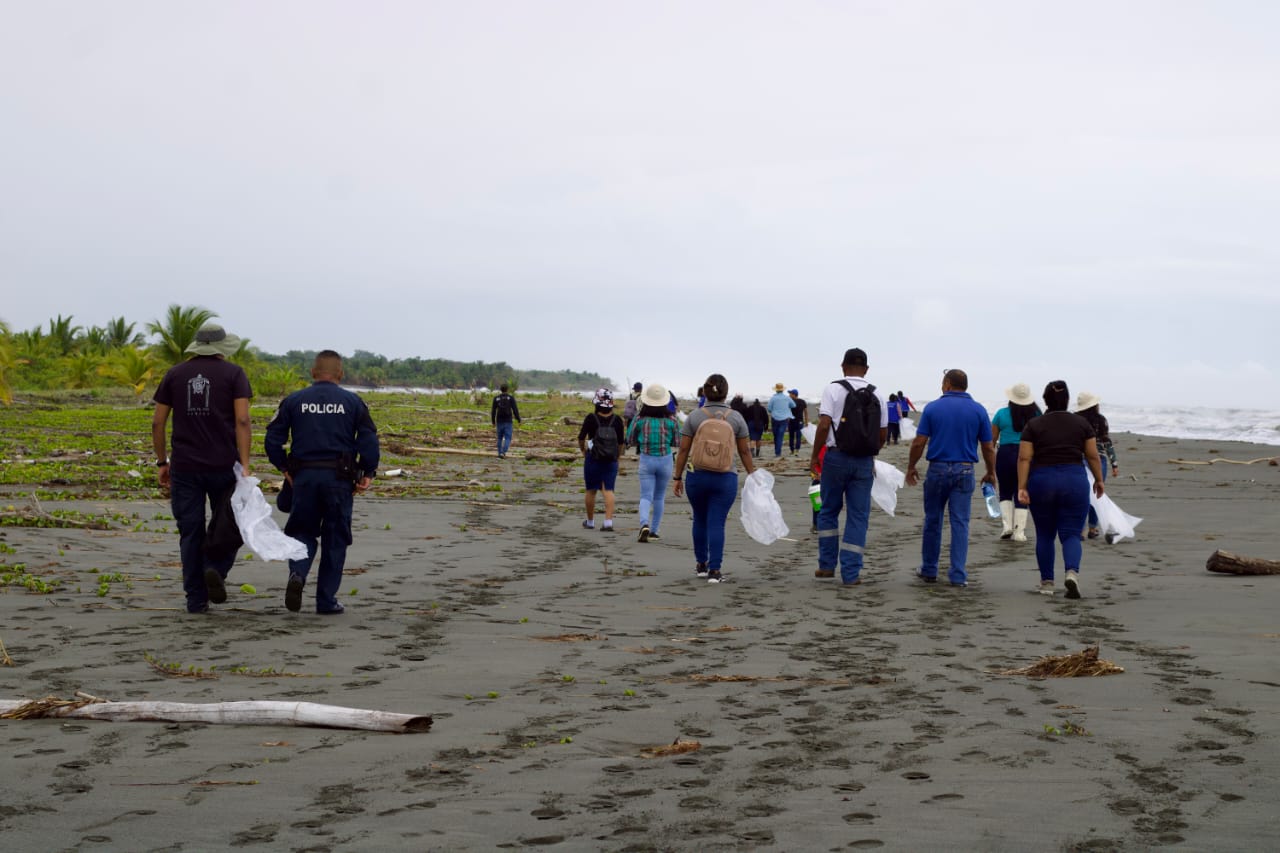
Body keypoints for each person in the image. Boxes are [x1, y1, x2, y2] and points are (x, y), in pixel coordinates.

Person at [265, 351, 380, 615]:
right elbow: (369, 442)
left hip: (303, 479)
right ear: (340, 374)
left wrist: (284, 467)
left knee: (301, 532)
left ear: (313, 373)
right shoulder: (353, 402)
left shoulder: (293, 401)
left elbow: (272, 440)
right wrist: (368, 472)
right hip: (339, 480)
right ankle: (326, 601)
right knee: (335, 539)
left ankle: (298, 573)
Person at [151, 322, 253, 614]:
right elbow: (243, 421)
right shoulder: (234, 374)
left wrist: (162, 461)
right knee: (230, 526)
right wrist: (244, 465)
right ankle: (216, 570)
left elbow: (158, 422)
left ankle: (195, 598)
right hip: (224, 465)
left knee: (191, 531)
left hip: (184, 466)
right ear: (222, 348)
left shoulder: (175, 373)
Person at [906, 369, 997, 587]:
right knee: (960, 523)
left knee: (933, 520)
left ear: (947, 384)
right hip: (965, 469)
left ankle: (929, 569)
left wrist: (911, 466)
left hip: (937, 468)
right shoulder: (978, 410)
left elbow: (919, 442)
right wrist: (991, 471)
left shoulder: (933, 407)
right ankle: (957, 574)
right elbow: (988, 446)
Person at [1017, 380, 1106, 598]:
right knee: (1071, 534)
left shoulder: (1034, 425)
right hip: (1073, 479)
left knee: (1045, 534)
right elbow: (1093, 455)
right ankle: (1072, 572)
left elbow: (1024, 457)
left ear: (1045, 400)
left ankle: (1047, 583)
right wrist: (1099, 479)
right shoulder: (1082, 424)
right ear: (1067, 400)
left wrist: (1022, 486)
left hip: (1042, 480)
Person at [809, 348, 888, 585]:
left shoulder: (833, 389)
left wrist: (815, 456)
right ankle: (851, 573)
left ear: (843, 366)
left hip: (835, 457)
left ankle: (826, 565)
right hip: (864, 462)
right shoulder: (878, 394)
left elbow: (824, 425)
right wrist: (872, 453)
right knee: (858, 516)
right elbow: (882, 432)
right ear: (866, 369)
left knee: (828, 511)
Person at [672, 373, 757, 583]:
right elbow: (745, 452)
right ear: (726, 392)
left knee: (699, 519)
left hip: (696, 476)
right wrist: (752, 475)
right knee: (717, 523)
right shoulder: (736, 417)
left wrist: (677, 477)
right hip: (725, 477)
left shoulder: (694, 416)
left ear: (705, 391)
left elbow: (683, 450)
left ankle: (701, 565)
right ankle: (715, 571)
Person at [627, 383, 679, 542]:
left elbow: (630, 439)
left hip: (646, 459)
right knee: (659, 497)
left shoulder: (639, 419)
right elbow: (677, 441)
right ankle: (654, 531)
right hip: (665, 460)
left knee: (645, 496)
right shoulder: (672, 420)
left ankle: (644, 524)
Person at [990, 383, 1041, 542]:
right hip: (1027, 454)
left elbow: (991, 440)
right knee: (1023, 490)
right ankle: (1019, 532)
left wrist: (990, 461)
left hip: (1005, 453)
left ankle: (1007, 526)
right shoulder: (1036, 414)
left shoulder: (1001, 414)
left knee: (1005, 490)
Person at [577, 388, 625, 532]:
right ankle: (608, 522)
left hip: (593, 458)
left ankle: (591, 521)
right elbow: (621, 442)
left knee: (591, 490)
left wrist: (584, 451)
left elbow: (581, 438)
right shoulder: (617, 420)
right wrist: (617, 456)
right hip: (611, 459)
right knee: (608, 490)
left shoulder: (591, 418)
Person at [1074, 391, 1119, 541]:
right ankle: (1093, 528)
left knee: (1082, 495)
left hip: (1079, 459)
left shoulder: (1075, 420)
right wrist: (1114, 463)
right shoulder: (1101, 420)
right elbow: (1107, 442)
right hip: (1099, 459)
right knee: (1096, 493)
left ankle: (1080, 530)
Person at [491, 383, 521, 459]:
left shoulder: (496, 398)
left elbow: (493, 411)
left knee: (499, 438)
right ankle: (503, 452)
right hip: (508, 421)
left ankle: (499, 453)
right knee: (508, 438)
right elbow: (515, 410)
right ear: (507, 389)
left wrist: (493, 421)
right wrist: (518, 419)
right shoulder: (510, 398)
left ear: (500, 390)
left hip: (499, 421)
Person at [767, 382, 796, 457]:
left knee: (776, 435)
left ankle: (777, 452)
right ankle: (777, 452)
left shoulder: (773, 398)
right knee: (780, 435)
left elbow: (769, 409)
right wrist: (786, 406)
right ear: (782, 390)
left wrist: (774, 410)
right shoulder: (787, 398)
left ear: (776, 390)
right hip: (784, 419)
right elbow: (793, 405)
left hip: (775, 418)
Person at [787, 389, 808, 455]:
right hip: (800, 421)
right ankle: (796, 450)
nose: (789, 395)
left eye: (790, 393)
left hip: (792, 421)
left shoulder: (790, 402)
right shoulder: (802, 401)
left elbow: (787, 412)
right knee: (798, 436)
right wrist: (806, 421)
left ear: (794, 394)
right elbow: (806, 412)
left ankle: (792, 450)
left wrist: (787, 421)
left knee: (792, 436)